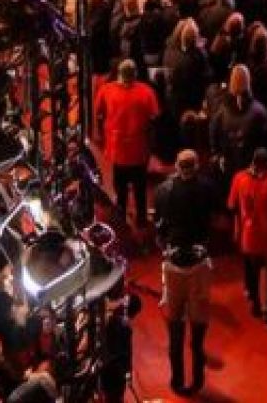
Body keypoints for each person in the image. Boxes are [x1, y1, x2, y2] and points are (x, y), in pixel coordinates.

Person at [155, 150, 215, 395]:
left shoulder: (163, 192)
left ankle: (177, 380)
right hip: (199, 265)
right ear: (197, 165)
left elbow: (158, 228)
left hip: (173, 265)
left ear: (177, 167)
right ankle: (198, 380)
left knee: (175, 330)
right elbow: (214, 220)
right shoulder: (207, 188)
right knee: (198, 332)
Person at [92, 60, 160, 234]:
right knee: (140, 187)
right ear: (135, 73)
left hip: (118, 150)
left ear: (119, 74)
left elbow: (98, 113)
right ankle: (142, 220)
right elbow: (154, 117)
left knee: (120, 188)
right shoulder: (146, 92)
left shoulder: (106, 90)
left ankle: (121, 220)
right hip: (139, 149)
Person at [227, 146, 267, 321]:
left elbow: (232, 206)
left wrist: (236, 229)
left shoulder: (239, 178)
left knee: (253, 272)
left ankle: (256, 303)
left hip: (250, 236)